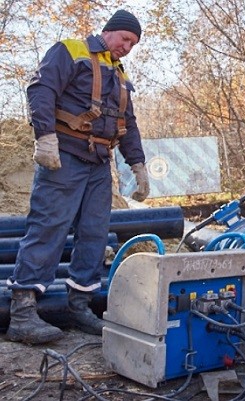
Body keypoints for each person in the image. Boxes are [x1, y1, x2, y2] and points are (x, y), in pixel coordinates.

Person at [6, 10, 150, 344]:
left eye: (134, 44)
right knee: (48, 226)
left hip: (100, 164)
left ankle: (79, 305)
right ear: (110, 31)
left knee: (94, 233)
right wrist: (45, 137)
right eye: (126, 39)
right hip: (65, 156)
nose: (128, 47)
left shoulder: (120, 76)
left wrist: (138, 166)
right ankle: (23, 313)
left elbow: (128, 124)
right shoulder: (71, 50)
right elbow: (41, 89)